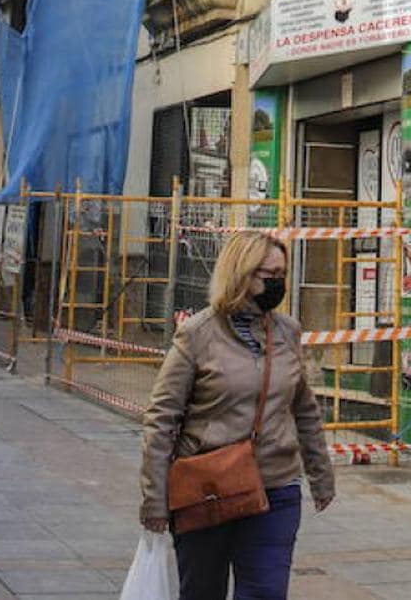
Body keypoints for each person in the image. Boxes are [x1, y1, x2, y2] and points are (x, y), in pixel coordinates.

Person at [139, 232, 334, 600]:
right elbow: (162, 419)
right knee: (202, 592)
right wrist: (155, 498)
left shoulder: (287, 332)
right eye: (267, 274)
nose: (277, 282)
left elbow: (304, 409)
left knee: (266, 593)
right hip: (208, 488)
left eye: (282, 273)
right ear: (239, 274)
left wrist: (321, 474)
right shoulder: (198, 334)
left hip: (276, 487)